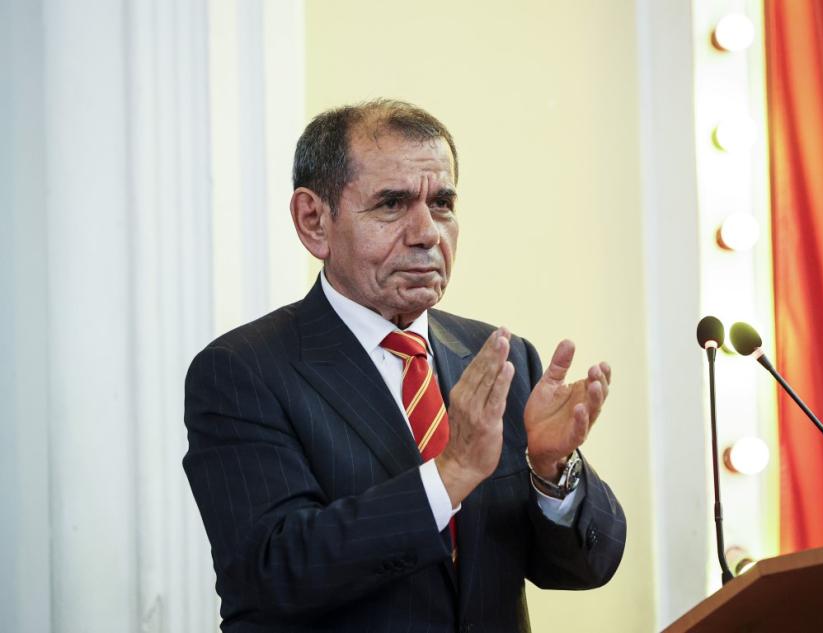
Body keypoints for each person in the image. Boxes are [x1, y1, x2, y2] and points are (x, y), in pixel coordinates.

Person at [183, 99, 626, 633]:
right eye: (392, 204)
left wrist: (551, 471)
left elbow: (587, 566)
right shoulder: (241, 372)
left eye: (442, 203)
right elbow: (273, 574)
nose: (427, 233)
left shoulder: (501, 360)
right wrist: (450, 473)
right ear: (314, 221)